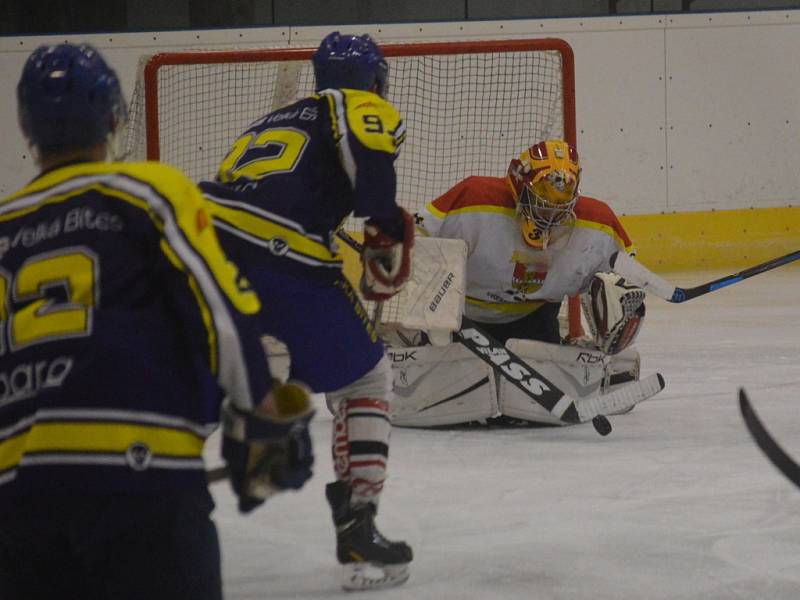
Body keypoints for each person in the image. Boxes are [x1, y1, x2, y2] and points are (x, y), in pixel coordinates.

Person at [0, 43, 314, 600]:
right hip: (140, 479)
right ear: (114, 118)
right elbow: (219, 306)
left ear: (27, 127)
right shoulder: (146, 190)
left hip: (17, 507)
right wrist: (263, 415)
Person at [199, 32, 414, 590]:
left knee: (200, 385)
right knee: (366, 375)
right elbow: (370, 165)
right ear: (373, 78)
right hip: (280, 253)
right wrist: (383, 228)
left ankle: (132, 495)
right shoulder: (361, 103)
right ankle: (357, 521)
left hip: (204, 251)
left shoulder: (271, 121)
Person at [386, 139, 647, 427]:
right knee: (458, 402)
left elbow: (626, 278)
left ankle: (589, 360)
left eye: (559, 210)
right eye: (542, 205)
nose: (549, 218)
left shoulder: (598, 222)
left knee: (527, 410)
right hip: (461, 320)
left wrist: (617, 313)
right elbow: (417, 234)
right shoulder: (475, 197)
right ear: (520, 186)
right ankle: (404, 340)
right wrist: (404, 258)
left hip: (532, 317)